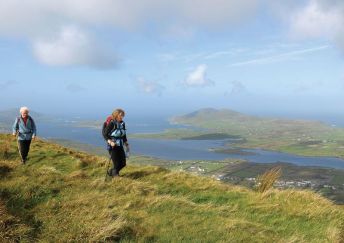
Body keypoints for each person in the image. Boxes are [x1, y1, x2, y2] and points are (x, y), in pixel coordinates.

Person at [103, 109, 130, 177]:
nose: (122, 117)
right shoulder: (112, 123)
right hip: (113, 146)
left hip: (120, 146)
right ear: (116, 115)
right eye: (121, 115)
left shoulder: (122, 123)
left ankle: (111, 172)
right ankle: (116, 177)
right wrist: (110, 142)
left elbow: (123, 134)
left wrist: (126, 142)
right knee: (116, 164)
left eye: (122, 115)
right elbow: (105, 134)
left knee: (123, 163)